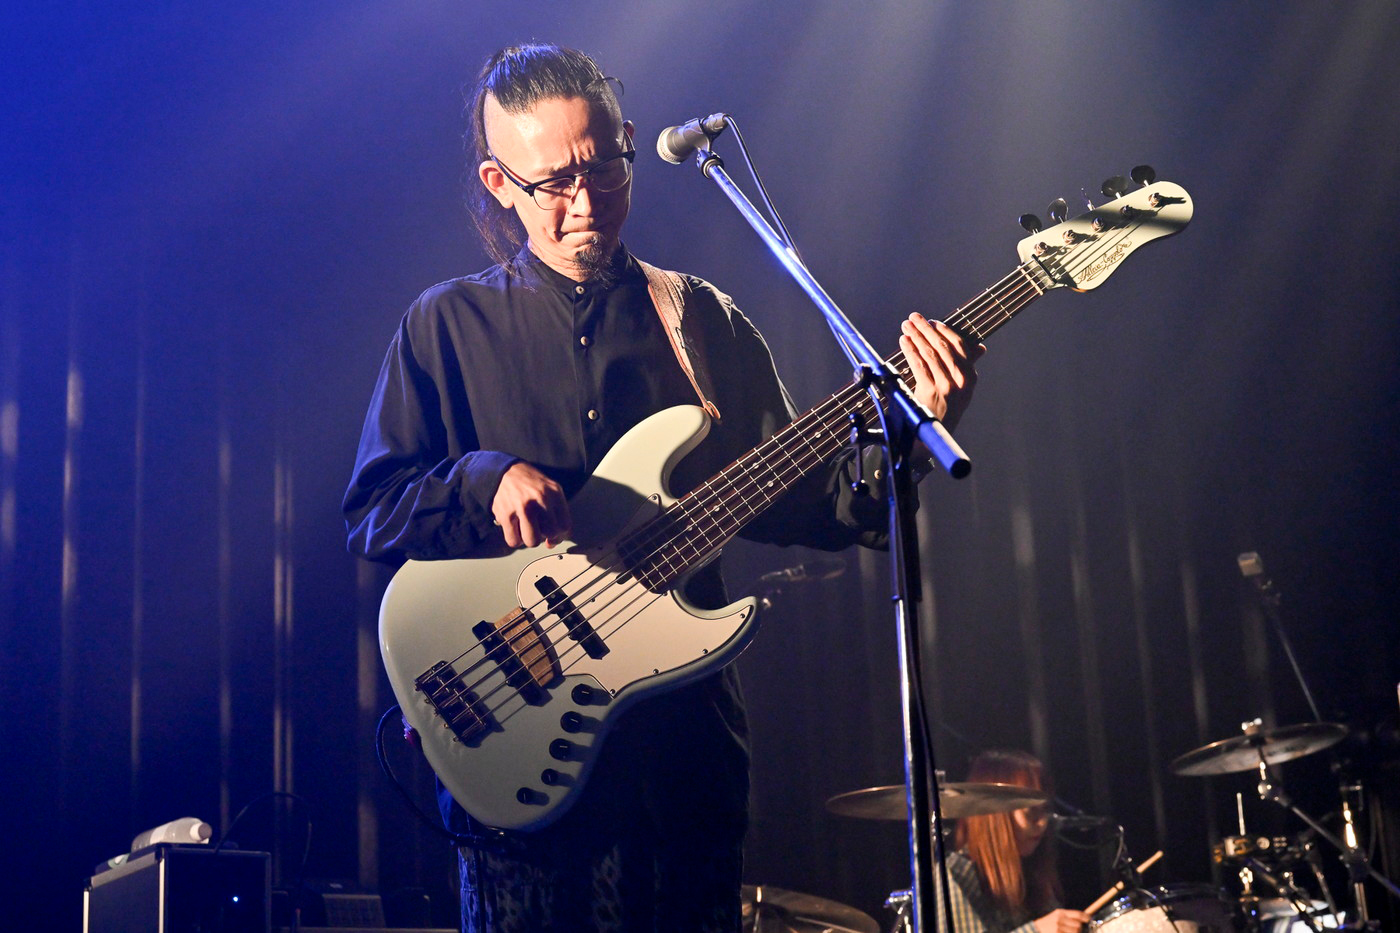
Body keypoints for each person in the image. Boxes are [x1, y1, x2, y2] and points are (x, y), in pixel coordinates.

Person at [343, 43, 982, 933]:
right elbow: (374, 508)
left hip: (682, 770)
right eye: (553, 182)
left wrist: (906, 431)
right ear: (499, 183)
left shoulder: (701, 319)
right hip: (521, 767)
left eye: (605, 168)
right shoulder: (445, 325)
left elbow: (820, 501)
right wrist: (483, 479)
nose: (586, 202)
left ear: (631, 142)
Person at [938, 750, 1089, 933]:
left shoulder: (1031, 871)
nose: (1042, 822)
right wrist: (1036, 930)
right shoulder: (954, 875)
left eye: (1045, 810)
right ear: (997, 814)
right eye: (1031, 811)